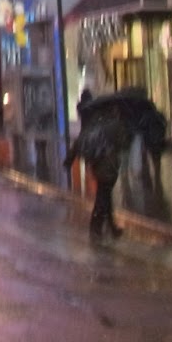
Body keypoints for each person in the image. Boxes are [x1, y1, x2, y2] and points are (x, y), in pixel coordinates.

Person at [65, 91, 130, 239]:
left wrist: (69, 159)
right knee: (103, 197)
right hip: (109, 166)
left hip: (97, 164)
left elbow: (80, 141)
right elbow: (124, 143)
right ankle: (96, 228)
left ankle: (110, 227)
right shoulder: (114, 125)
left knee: (105, 196)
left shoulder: (96, 124)